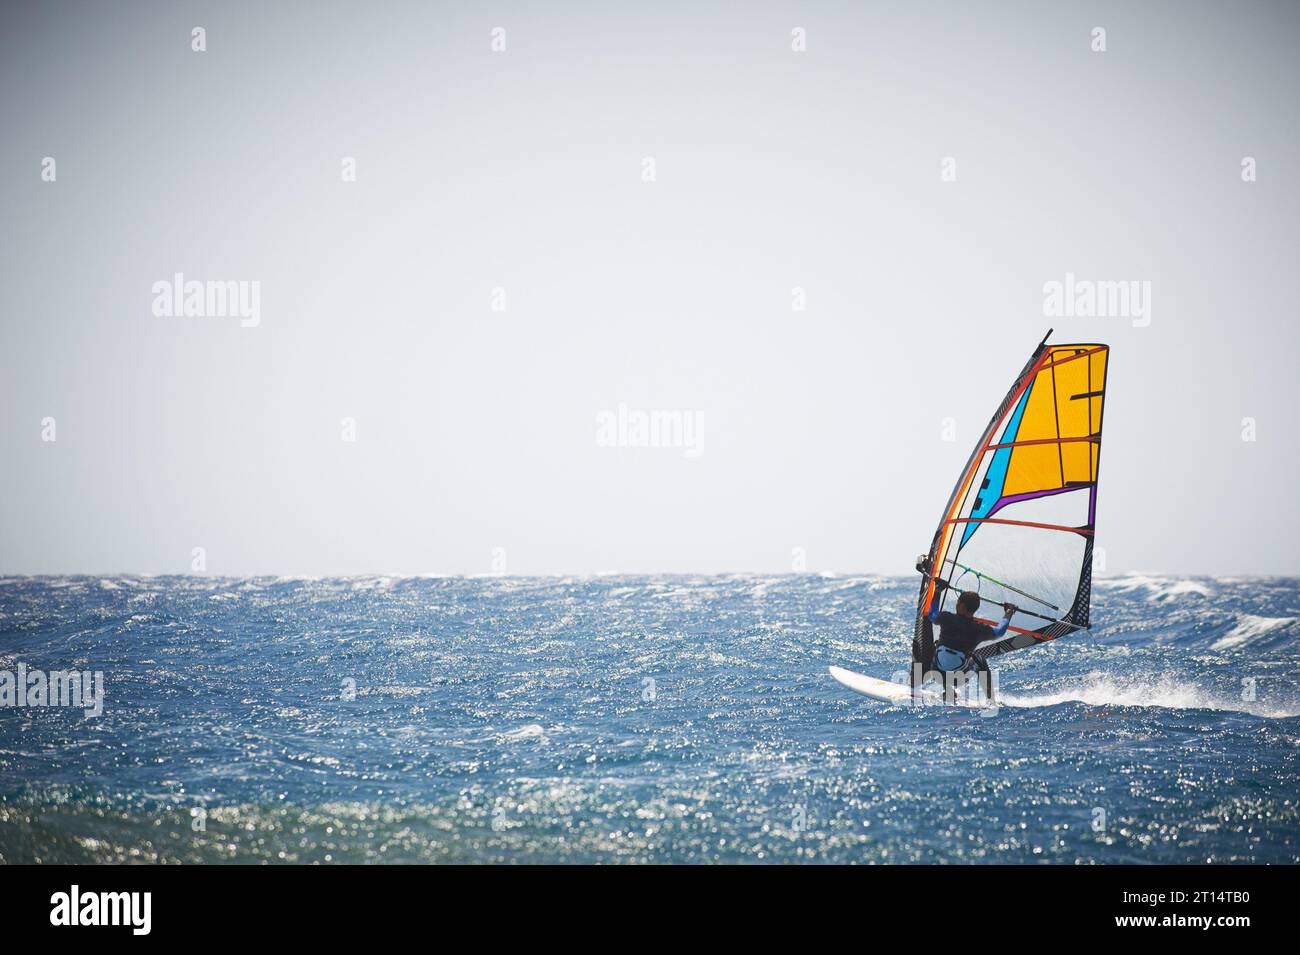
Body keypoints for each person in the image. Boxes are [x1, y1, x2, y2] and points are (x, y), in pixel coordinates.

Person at [924, 579, 1014, 703]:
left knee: (938, 647)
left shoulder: (946, 618)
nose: (956, 604)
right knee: (980, 659)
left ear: (962, 606)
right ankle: (990, 699)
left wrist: (938, 591)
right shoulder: (978, 629)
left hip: (936, 673)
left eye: (958, 602)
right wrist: (1009, 613)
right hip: (959, 678)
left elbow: (932, 614)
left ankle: (948, 689)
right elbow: (999, 631)